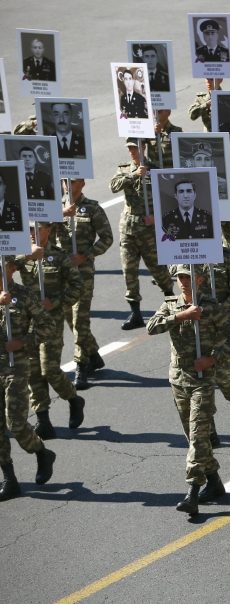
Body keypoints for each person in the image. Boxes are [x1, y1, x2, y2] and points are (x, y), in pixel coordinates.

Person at [148, 265, 230, 516]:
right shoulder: (171, 304)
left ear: (200, 279)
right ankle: (214, 482)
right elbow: (152, 327)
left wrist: (213, 359)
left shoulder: (211, 308)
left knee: (199, 434)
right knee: (193, 438)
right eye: (180, 277)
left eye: (188, 277)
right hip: (178, 378)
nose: (183, 282)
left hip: (202, 379)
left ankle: (192, 491)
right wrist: (181, 316)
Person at [16, 221, 86, 440]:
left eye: (36, 229)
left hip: (50, 321)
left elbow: (78, 287)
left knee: (49, 369)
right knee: (33, 371)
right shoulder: (22, 255)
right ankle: (43, 418)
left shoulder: (59, 256)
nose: (31, 234)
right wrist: (28, 257)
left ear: (48, 229)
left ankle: (74, 399)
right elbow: (4, 264)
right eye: (27, 229)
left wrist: (54, 302)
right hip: (27, 322)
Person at [0, 257, 58, 501]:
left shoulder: (22, 295)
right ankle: (10, 479)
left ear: (12, 268)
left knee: (15, 424)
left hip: (16, 367)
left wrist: (22, 341)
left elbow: (48, 325)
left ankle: (41, 452)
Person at [55, 178, 113, 389]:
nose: (67, 184)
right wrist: (60, 215)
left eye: (72, 180)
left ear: (82, 183)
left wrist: (86, 255)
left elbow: (107, 238)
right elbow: (40, 233)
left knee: (80, 319)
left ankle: (82, 365)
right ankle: (94, 354)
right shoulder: (54, 207)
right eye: (64, 181)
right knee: (70, 318)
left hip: (82, 272)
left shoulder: (92, 208)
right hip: (60, 273)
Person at [111, 140, 175, 330]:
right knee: (129, 271)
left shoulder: (156, 170)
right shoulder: (124, 169)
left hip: (149, 231)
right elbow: (113, 186)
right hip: (128, 229)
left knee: (158, 270)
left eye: (134, 147)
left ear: (143, 147)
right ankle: (136, 313)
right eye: (129, 148)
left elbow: (171, 199)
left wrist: (157, 217)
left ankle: (171, 304)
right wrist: (133, 175)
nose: (131, 151)